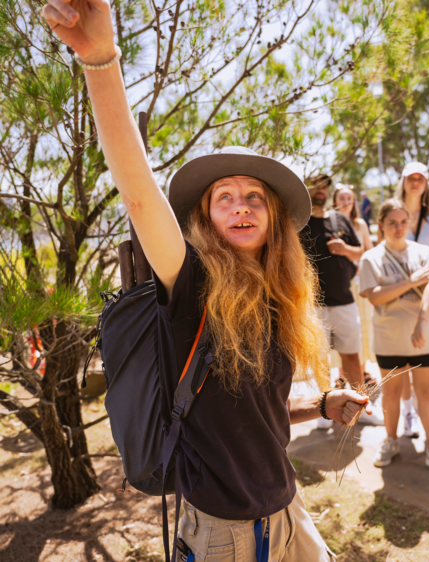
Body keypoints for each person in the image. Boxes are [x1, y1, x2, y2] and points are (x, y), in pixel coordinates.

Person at [44, 2, 371, 558]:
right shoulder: (191, 285)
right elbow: (141, 196)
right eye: (225, 199)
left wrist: (318, 407)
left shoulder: (274, 298)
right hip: (223, 532)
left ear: (273, 221)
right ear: (205, 219)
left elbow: (251, 413)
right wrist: (102, 61)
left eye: (253, 199)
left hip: (286, 508)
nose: (241, 208)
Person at [360, 199, 429, 475]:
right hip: (389, 338)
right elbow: (374, 296)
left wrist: (421, 322)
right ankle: (391, 441)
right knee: (392, 394)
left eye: (403, 222)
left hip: (424, 337)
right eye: (392, 223)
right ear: (381, 225)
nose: (398, 228)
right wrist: (410, 281)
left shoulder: (424, 252)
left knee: (426, 393)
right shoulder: (371, 258)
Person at [302, 175, 367, 429]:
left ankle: (361, 406)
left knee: (351, 356)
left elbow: (359, 250)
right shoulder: (299, 222)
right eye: (316, 184)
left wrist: (344, 249)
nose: (321, 189)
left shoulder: (339, 219)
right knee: (320, 360)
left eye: (325, 185)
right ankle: (324, 411)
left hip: (344, 301)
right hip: (313, 305)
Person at [396, 163, 429, 435]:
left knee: (427, 350)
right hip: (401, 289)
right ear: (404, 181)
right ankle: (408, 413)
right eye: (411, 178)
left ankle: (427, 411)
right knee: (403, 353)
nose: (416, 182)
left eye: (421, 178)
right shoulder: (393, 209)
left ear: (426, 183)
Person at [332, 184, 377, 386]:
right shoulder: (331, 223)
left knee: (362, 327)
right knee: (342, 330)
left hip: (360, 285)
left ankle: (362, 370)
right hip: (340, 286)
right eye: (341, 198)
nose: (345, 202)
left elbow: (370, 252)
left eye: (349, 198)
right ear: (335, 201)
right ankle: (342, 374)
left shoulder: (360, 225)